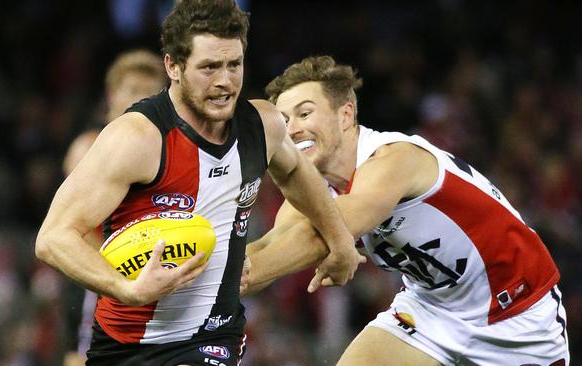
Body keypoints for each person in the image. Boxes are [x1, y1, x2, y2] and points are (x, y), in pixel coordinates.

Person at [35, 2, 362, 365]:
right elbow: (53, 237)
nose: (224, 81)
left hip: (213, 337)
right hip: (126, 345)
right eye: (209, 68)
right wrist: (126, 288)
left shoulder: (262, 126)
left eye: (233, 65)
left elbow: (297, 173)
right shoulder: (136, 139)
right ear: (173, 66)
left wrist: (339, 239)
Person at [245, 56, 570, 365]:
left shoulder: (394, 161)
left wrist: (231, 279)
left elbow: (324, 234)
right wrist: (205, 269)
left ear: (346, 115)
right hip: (431, 307)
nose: (292, 130)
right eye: (283, 121)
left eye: (304, 114)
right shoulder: (311, 192)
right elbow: (268, 250)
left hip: (518, 312)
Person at [61, 49, 168, 366]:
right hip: (96, 278)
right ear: (112, 95)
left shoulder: (171, 153)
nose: (141, 100)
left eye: (150, 93)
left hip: (151, 276)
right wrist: (113, 276)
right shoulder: (87, 147)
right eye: (133, 91)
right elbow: (74, 229)